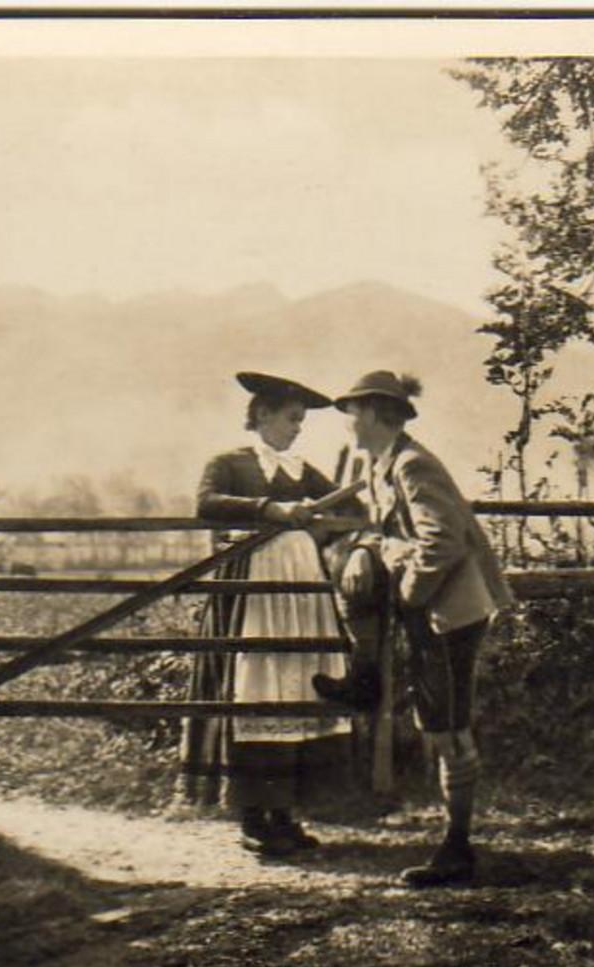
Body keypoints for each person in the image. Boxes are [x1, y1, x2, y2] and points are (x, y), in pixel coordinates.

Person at [313, 370, 513, 887]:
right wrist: (364, 548)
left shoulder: (413, 464)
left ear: (378, 415)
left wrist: (408, 597)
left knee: (446, 727)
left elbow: (441, 543)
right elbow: (384, 531)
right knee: (440, 722)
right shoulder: (382, 465)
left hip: (449, 614)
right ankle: (364, 676)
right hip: (433, 610)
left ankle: (457, 848)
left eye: (353, 411)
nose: (348, 422)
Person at [180, 372, 356, 858]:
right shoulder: (231, 463)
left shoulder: (303, 469)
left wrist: (322, 531)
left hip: (302, 592)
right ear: (261, 415)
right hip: (254, 590)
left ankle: (286, 814)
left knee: (298, 687)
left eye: (301, 420)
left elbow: (351, 505)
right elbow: (206, 504)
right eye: (291, 419)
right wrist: (271, 511)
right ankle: (255, 818)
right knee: (257, 688)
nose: (298, 428)